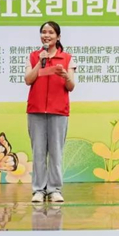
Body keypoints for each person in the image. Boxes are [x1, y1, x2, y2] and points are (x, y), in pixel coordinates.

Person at [25, 21, 76, 203]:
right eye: (44, 32)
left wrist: (66, 76)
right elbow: (28, 80)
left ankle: (54, 189)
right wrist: (40, 63)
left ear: (58, 36)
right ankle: (38, 190)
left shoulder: (67, 58)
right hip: (36, 110)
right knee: (38, 152)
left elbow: (71, 86)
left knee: (55, 152)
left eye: (51, 32)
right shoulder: (33, 56)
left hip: (58, 111)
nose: (47, 35)